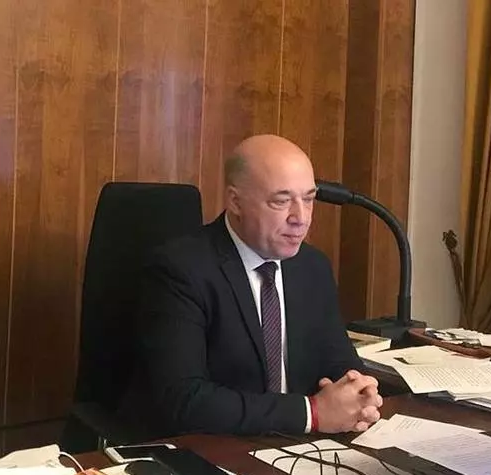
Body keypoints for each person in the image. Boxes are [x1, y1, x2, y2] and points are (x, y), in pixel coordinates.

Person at [123, 134, 382, 437]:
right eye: (281, 201)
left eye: (309, 199)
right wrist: (311, 413)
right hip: (215, 445)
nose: (301, 218)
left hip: (298, 444)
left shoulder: (312, 266)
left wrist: (359, 393)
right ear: (235, 202)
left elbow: (338, 360)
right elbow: (184, 399)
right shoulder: (181, 269)